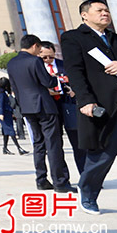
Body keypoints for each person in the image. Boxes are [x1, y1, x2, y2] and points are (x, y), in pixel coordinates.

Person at [61, 0, 117, 215]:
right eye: (100, 10)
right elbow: (75, 72)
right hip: (105, 104)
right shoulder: (74, 38)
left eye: (107, 10)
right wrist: (85, 100)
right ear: (85, 15)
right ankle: (88, 192)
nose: (105, 13)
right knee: (103, 152)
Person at [7, 34, 74, 192]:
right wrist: (55, 78)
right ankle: (60, 182)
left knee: (38, 144)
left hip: (27, 107)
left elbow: (14, 87)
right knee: (53, 144)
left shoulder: (11, 63)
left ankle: (41, 179)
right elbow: (48, 82)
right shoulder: (35, 60)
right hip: (44, 106)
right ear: (35, 46)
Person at [39, 41, 86, 175]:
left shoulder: (64, 65)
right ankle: (62, 178)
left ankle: (86, 176)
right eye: (44, 57)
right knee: (55, 145)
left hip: (68, 105)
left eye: (51, 57)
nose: (48, 60)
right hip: (49, 107)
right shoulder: (37, 67)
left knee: (79, 143)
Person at [0, 78, 29, 156]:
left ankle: (5, 148)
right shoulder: (0, 92)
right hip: (4, 113)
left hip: (6, 113)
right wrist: (1, 113)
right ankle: (19, 148)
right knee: (10, 130)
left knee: (6, 132)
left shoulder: (0, 91)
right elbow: (0, 103)